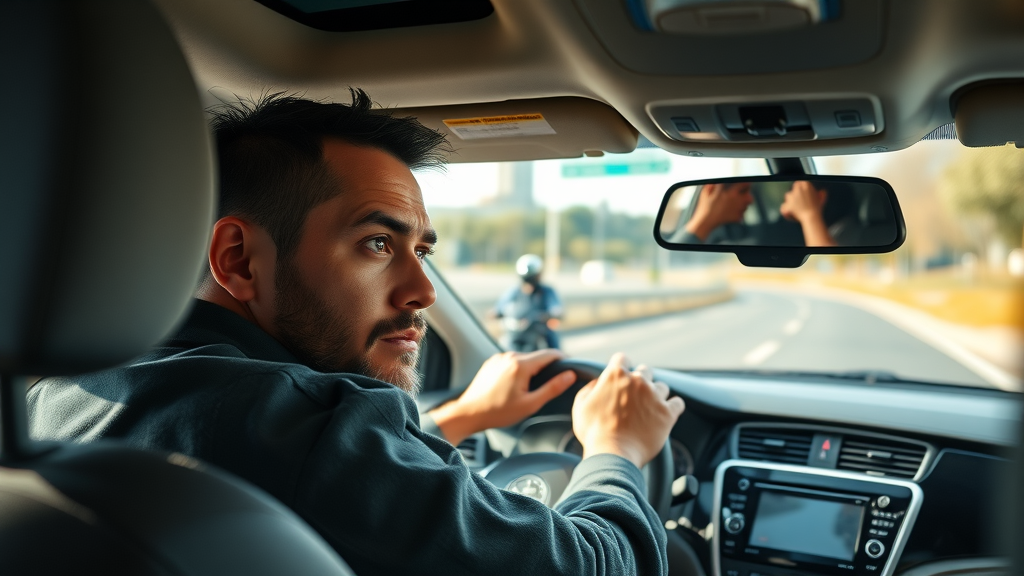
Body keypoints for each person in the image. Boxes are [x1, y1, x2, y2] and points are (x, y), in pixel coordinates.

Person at [27, 91, 685, 575]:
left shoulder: (53, 391)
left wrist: (460, 418)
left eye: (421, 251)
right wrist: (616, 448)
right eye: (377, 243)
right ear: (238, 260)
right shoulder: (301, 421)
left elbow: (328, 481)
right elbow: (599, 562)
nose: (422, 292)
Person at [494, 254, 564, 351]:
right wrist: (496, 313)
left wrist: (548, 315)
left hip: (539, 330)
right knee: (501, 348)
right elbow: (500, 307)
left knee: (552, 343)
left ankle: (557, 360)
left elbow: (556, 308)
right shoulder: (514, 291)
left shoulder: (547, 292)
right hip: (515, 331)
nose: (529, 284)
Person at [673, 181, 754, 243]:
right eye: (742, 191)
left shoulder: (726, 235)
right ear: (711, 189)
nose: (750, 200)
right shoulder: (678, 251)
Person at [779, 180, 838, 247]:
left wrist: (808, 214)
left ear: (820, 197)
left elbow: (825, 257)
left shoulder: (844, 237)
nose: (783, 211)